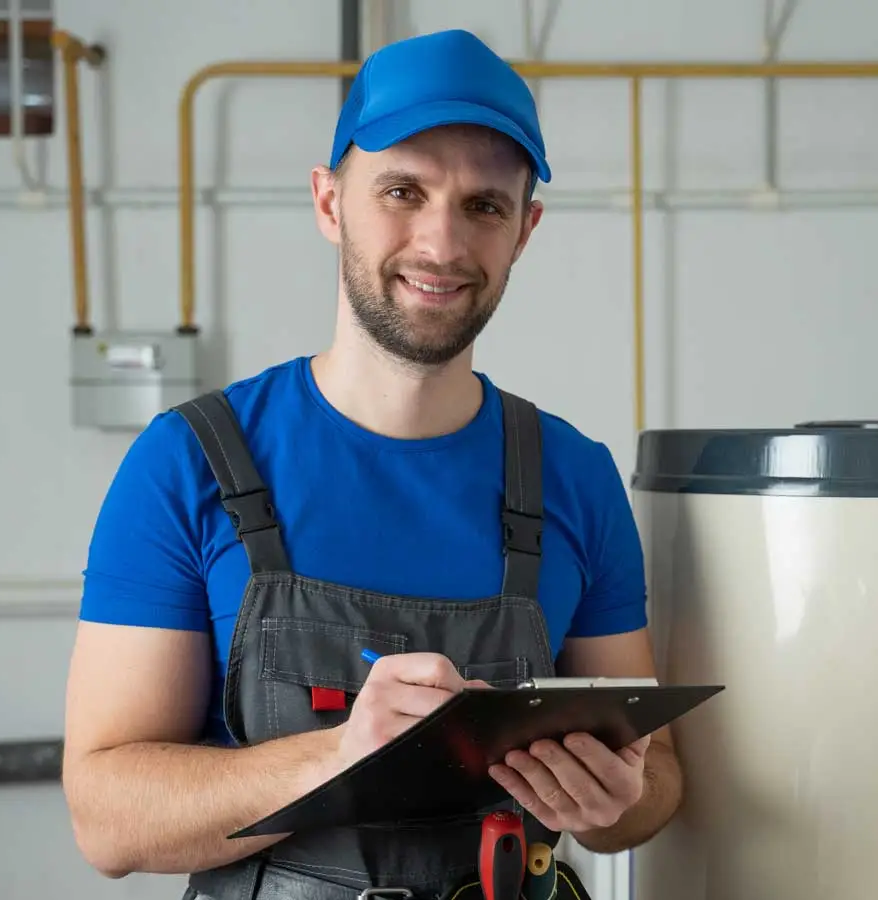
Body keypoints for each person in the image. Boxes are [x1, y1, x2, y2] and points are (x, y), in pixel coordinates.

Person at [60, 27, 682, 900]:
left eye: (484, 206)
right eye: (402, 191)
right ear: (329, 203)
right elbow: (107, 819)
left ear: (523, 232)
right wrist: (339, 757)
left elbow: (657, 782)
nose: (442, 243)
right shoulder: (187, 463)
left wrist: (619, 801)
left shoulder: (575, 477)